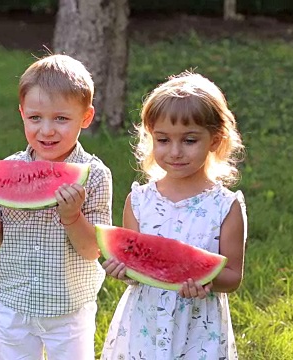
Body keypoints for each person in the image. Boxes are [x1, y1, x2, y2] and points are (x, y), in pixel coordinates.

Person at [0, 54, 113, 359]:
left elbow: (93, 250)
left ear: (86, 118)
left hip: (69, 308)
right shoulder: (8, 168)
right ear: (22, 114)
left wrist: (73, 216)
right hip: (13, 303)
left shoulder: (95, 175)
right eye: (35, 118)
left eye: (61, 118)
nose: (46, 130)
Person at [100, 71, 247, 360]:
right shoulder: (139, 201)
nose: (175, 152)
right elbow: (138, 268)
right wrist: (123, 271)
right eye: (163, 140)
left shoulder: (226, 206)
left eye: (189, 140)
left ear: (215, 141)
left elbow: (233, 276)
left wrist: (206, 281)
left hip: (199, 327)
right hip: (146, 323)